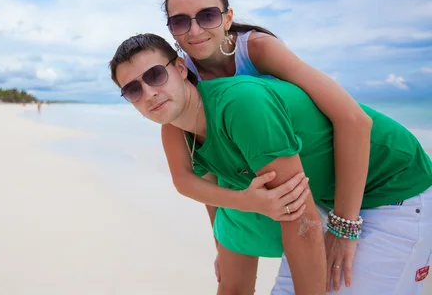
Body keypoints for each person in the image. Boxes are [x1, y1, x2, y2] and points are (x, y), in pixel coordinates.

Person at [109, 33, 432, 294]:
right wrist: (241, 210)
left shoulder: (240, 105)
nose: (149, 93)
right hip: (329, 201)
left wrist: (343, 228)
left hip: (394, 187)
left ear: (180, 68)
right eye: (133, 90)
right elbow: (190, 184)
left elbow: (297, 214)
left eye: (155, 75)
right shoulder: (176, 129)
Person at [158, 0, 373, 293]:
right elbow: (208, 169)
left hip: (339, 177)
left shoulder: (257, 49)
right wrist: (224, 243)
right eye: (180, 22)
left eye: (207, 16)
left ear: (227, 17)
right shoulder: (184, 79)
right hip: (292, 188)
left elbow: (354, 120)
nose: (195, 30)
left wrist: (344, 227)